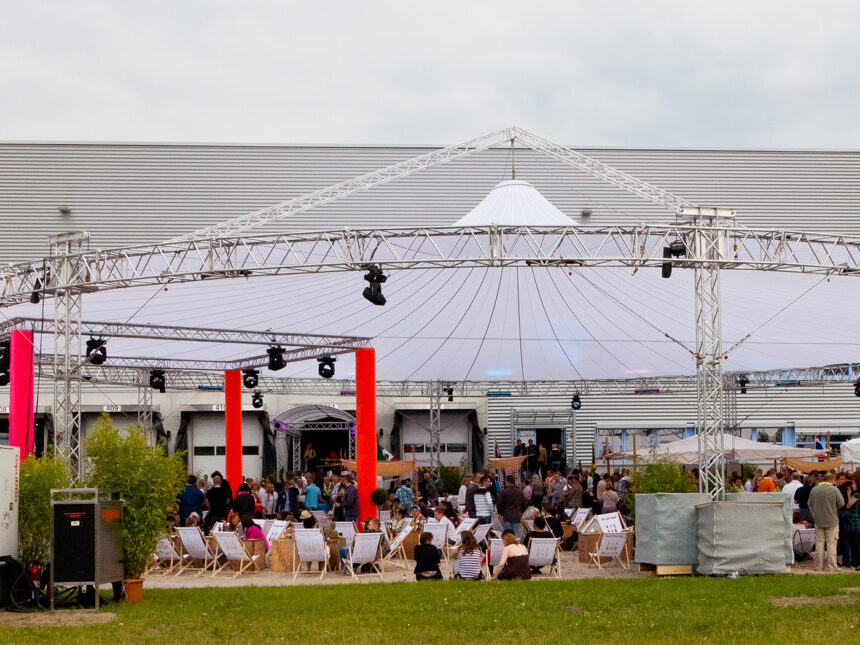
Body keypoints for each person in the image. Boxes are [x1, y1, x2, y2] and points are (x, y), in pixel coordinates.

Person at [808, 472, 845, 571]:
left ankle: (818, 566)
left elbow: (810, 503)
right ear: (831, 479)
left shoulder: (814, 489)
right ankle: (831, 566)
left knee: (819, 543)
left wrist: (814, 514)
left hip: (818, 520)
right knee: (831, 544)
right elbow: (841, 503)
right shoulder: (834, 489)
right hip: (832, 520)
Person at [845, 479, 860, 570]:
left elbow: (848, 506)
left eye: (853, 483)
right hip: (857, 521)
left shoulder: (857, 495)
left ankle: (857, 562)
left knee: (855, 544)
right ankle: (856, 562)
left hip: (855, 522)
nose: (852, 485)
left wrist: (848, 495)